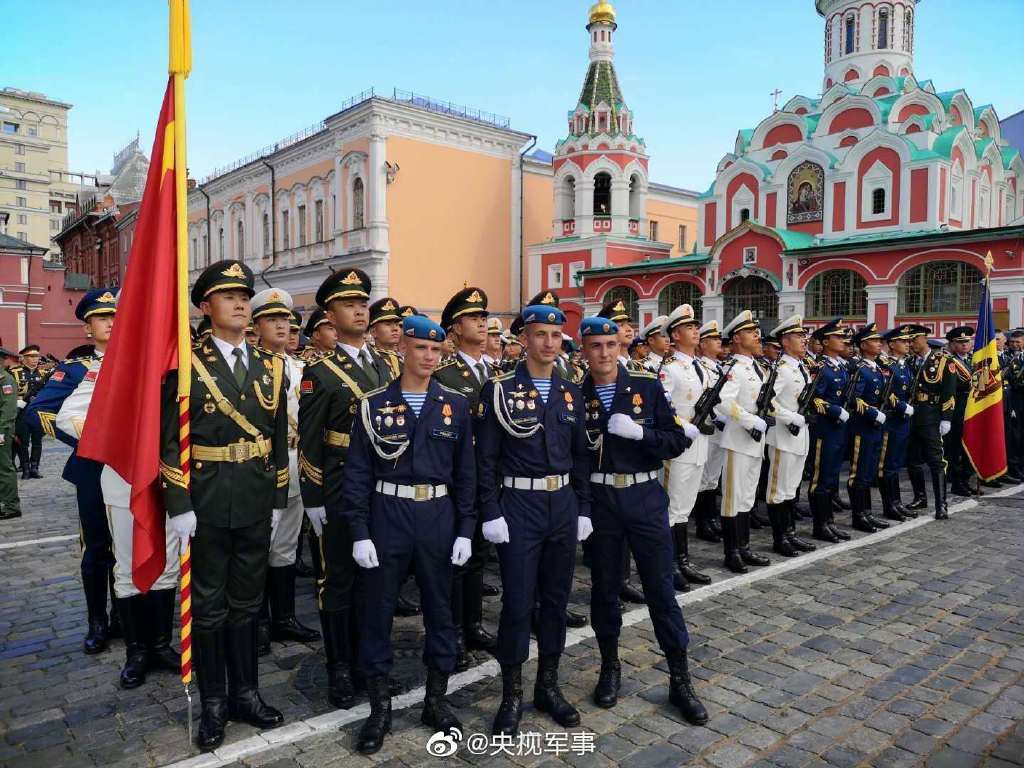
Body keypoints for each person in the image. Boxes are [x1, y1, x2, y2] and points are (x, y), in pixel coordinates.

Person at [160, 260, 288, 750]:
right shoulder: (187, 364)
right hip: (207, 500)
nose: (240, 303)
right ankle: (214, 702)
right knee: (209, 607)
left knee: (247, 604)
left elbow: (277, 440)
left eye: (244, 295)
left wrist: (277, 498)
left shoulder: (271, 366)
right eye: (228, 295)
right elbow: (169, 441)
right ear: (205, 306)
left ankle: (247, 695)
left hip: (255, 498)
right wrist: (178, 502)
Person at [344, 314, 476, 754]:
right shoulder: (374, 402)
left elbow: (466, 474)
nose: (429, 357)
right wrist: (360, 530)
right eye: (421, 348)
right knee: (377, 612)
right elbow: (358, 472)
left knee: (441, 611)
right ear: (402, 348)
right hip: (388, 514)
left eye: (436, 350)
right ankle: (379, 708)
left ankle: (435, 700)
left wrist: (465, 529)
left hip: (438, 514)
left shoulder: (454, 403)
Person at [579, 316, 708, 725]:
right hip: (600, 501)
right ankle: (609, 666)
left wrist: (640, 435)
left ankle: (679, 678)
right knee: (604, 589)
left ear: (620, 347)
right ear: (584, 350)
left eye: (610, 345)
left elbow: (674, 440)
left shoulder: (646, 386)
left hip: (644, 495)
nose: (604, 353)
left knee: (660, 588)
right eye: (595, 345)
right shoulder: (572, 394)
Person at [477, 303, 591, 736]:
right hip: (519, 506)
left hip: (561, 504)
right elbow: (485, 458)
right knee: (518, 603)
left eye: (555, 336)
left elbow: (581, 456)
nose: (548, 343)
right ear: (523, 339)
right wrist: (491, 511)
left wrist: (584, 508)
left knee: (557, 601)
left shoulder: (570, 392)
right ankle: (511, 694)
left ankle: (548, 685)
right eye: (540, 334)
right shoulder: (499, 389)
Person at [298, 268, 400, 710]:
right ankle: (339, 668)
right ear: (330, 314)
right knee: (337, 581)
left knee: (376, 581)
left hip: (384, 487)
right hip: (339, 485)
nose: (360, 310)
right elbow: (308, 441)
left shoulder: (387, 364)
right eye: (348, 304)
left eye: (363, 303)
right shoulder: (319, 373)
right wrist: (315, 499)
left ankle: (371, 663)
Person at [56, 354, 181, 689]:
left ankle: (159, 643)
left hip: (171, 477)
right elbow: (68, 418)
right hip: (124, 474)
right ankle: (136, 650)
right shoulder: (109, 367)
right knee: (126, 566)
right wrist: (119, 441)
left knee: (166, 563)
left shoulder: (177, 362)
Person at [27, 289, 120, 653]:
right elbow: (39, 412)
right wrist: (88, 441)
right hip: (93, 469)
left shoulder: (137, 365)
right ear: (87, 328)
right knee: (97, 546)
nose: (111, 323)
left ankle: (124, 617)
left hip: (130, 468)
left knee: (127, 543)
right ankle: (97, 621)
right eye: (102, 318)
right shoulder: (76, 370)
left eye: (115, 316)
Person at [250, 288, 321, 654]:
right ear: (256, 325)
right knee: (259, 545)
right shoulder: (250, 366)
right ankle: (259, 622)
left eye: (286, 321)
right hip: (262, 466)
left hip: (296, 461)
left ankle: (284, 617)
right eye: (272, 320)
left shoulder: (299, 367)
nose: (281, 326)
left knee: (287, 545)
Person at [433, 287, 498, 669]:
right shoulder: (444, 374)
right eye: (474, 317)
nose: (482, 322)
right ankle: (453, 630)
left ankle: (473, 624)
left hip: (488, 476)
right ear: (455, 328)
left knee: (478, 557)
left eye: (484, 316)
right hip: (458, 476)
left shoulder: (495, 371)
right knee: (454, 559)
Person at [658, 304, 712, 590]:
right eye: (690, 327)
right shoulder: (671, 369)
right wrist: (683, 425)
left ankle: (683, 560)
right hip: (679, 447)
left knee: (685, 508)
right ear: (676, 335)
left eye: (695, 327)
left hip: (699, 446)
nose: (696, 331)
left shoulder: (699, 366)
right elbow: (663, 407)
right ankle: (669, 565)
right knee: (672, 508)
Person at [715, 310, 772, 573]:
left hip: (755, 442)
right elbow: (724, 402)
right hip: (738, 440)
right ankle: (732, 552)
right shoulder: (734, 369)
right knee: (733, 498)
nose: (757, 335)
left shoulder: (757, 367)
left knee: (748, 498)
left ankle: (745, 547)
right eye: (751, 332)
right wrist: (750, 421)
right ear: (737, 338)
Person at [764, 315, 816, 557]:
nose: (804, 340)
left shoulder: (800, 366)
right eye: (798, 336)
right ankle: (780, 539)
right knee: (778, 490)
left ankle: (791, 534)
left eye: (804, 336)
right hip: (783, 436)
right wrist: (789, 417)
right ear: (785, 341)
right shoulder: (781, 369)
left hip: (799, 436)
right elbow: (766, 402)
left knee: (791, 489)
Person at [903, 326, 962, 519]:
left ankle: (941, 504)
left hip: (932, 416)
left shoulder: (944, 361)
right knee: (912, 460)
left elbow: (949, 392)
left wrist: (946, 418)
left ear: (924, 338)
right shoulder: (909, 361)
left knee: (936, 461)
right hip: (911, 416)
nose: (910, 344)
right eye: (908, 341)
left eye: (914, 340)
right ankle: (920, 497)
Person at [806, 318, 853, 543]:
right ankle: (820, 524)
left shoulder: (841, 366)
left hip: (838, 429)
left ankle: (829, 521)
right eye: (838, 337)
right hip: (824, 428)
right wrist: (834, 411)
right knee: (821, 477)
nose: (843, 340)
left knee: (832, 476)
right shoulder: (820, 367)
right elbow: (813, 399)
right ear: (825, 341)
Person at [846, 323, 891, 533]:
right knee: (859, 472)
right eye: (874, 341)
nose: (879, 343)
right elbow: (853, 399)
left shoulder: (878, 368)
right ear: (863, 345)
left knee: (869, 471)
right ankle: (859, 515)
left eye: (879, 340)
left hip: (875, 427)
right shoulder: (861, 370)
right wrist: (873, 413)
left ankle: (867, 513)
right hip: (863, 426)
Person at [878, 327, 918, 521]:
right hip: (892, 420)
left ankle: (897, 502)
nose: (908, 344)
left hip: (903, 422)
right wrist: (902, 406)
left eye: (909, 341)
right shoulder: (886, 365)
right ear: (892, 344)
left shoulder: (904, 365)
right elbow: (886, 392)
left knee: (896, 463)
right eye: (904, 341)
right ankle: (889, 505)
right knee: (888, 464)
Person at [693, 321, 726, 543]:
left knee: (713, 477)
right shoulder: (701, 367)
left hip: (721, 430)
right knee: (704, 477)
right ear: (703, 344)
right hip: (707, 428)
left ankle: (711, 518)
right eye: (714, 340)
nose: (719, 343)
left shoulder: (720, 367)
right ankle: (703, 522)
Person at [944, 326, 977, 496]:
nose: (965, 345)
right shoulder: (948, 361)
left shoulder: (976, 359)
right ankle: (957, 482)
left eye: (967, 341)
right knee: (956, 447)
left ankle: (966, 478)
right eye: (960, 342)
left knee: (971, 444)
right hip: (957, 407)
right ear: (952, 344)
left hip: (973, 407)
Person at [11, 345, 46, 479]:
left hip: (37, 413)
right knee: (22, 442)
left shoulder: (43, 374)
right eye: (31, 357)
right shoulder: (14, 372)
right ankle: (25, 468)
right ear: (24, 358)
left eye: (36, 356)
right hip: (22, 413)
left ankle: (34, 468)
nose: (35, 359)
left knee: (37, 441)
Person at [0, 348, 21, 519]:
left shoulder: (5, 379)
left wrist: (1, 432)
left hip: (1, 431)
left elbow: (8, 411)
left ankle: (11, 506)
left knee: (4, 468)